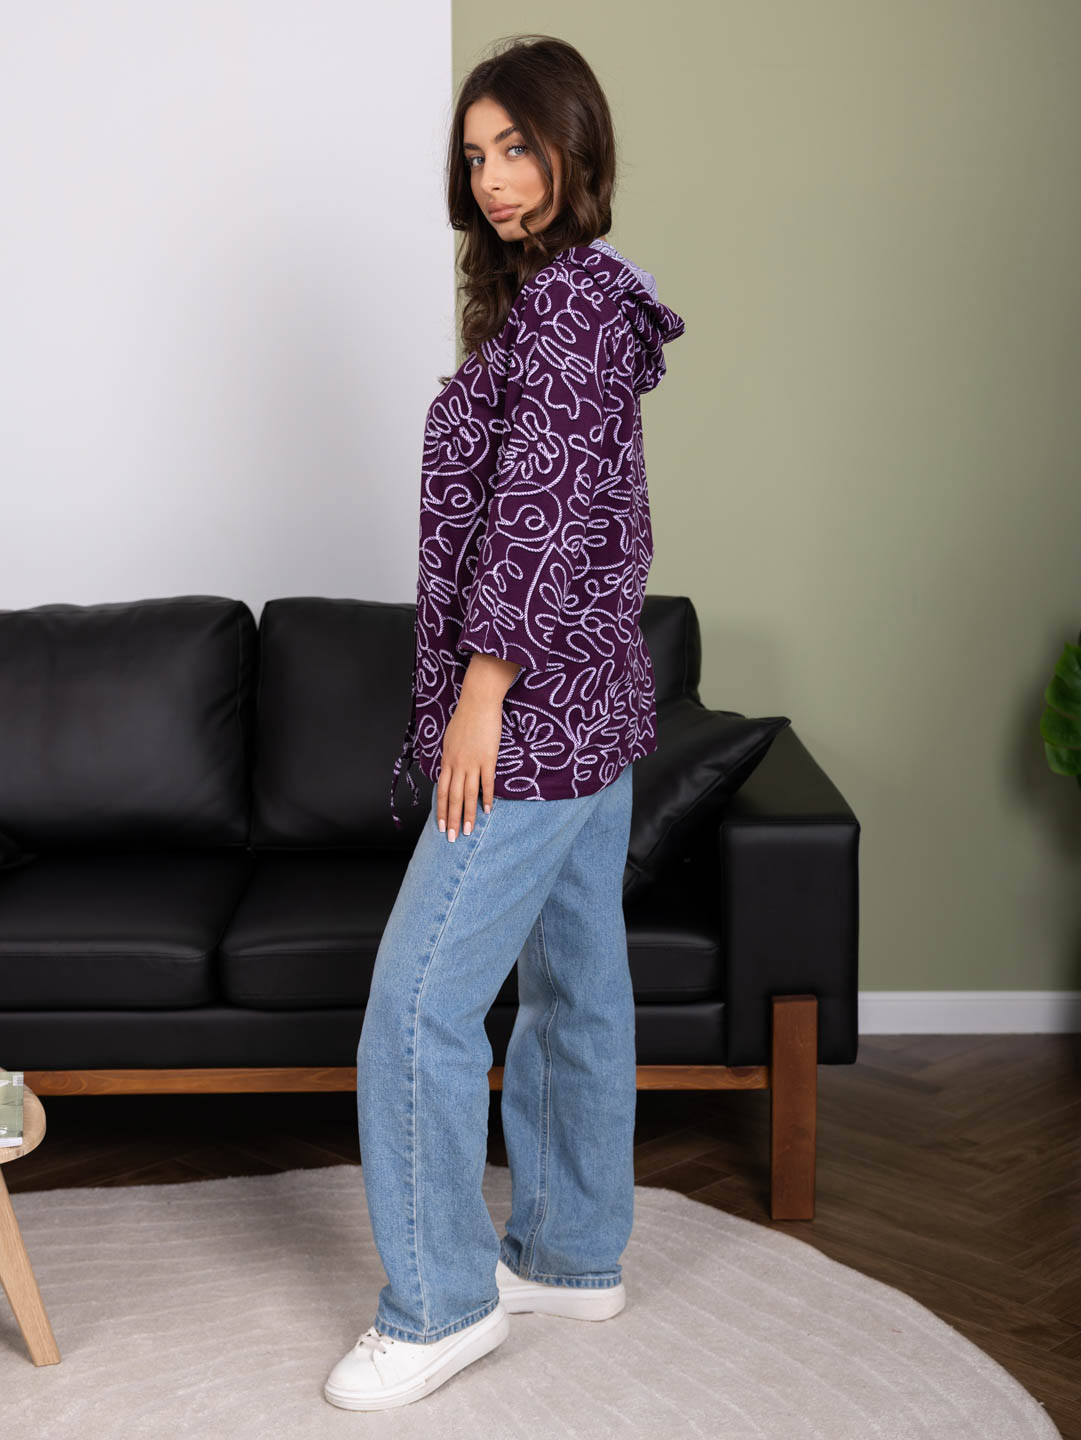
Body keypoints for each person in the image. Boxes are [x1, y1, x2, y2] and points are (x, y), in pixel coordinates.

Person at [324, 33, 686, 1412]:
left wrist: (481, 697)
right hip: (591, 706)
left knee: (415, 1007)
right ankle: (570, 1253)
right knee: (575, 989)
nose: (493, 178)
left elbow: (533, 520)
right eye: (476, 156)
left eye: (518, 147)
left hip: (531, 719)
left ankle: (440, 1305)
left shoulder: (573, 310)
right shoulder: (567, 300)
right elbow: (572, 508)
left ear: (576, 146)